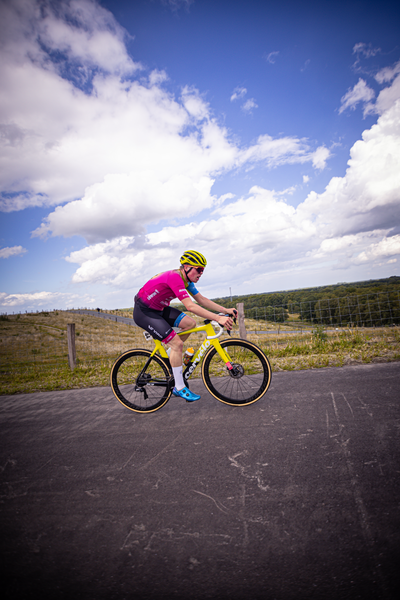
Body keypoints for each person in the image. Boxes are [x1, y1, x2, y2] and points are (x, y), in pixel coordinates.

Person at [133, 250, 237, 402]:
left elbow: (200, 299)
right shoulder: (175, 278)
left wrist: (224, 310)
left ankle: (170, 356)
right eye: (199, 269)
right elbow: (191, 306)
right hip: (144, 312)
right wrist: (217, 318)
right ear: (187, 267)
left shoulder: (186, 280)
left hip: (159, 309)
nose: (201, 273)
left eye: (203, 270)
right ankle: (179, 387)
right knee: (177, 343)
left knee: (190, 324)